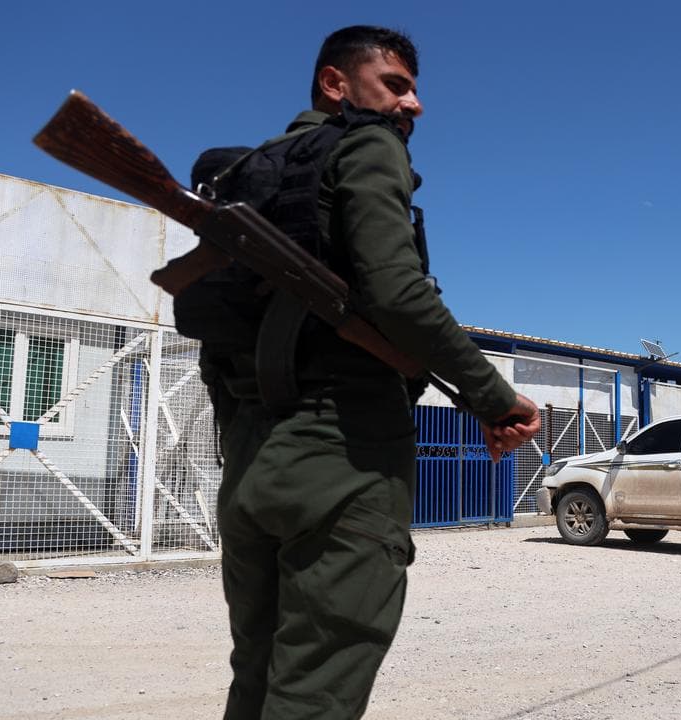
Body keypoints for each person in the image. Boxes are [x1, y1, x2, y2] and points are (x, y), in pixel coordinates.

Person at [194, 25, 540, 720]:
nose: (414, 106)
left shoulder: (251, 176)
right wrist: (496, 399)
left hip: (252, 462)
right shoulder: (366, 144)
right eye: (397, 85)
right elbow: (397, 293)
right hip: (342, 454)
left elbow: (215, 333)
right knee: (316, 688)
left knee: (256, 676)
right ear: (335, 84)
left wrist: (246, 439)